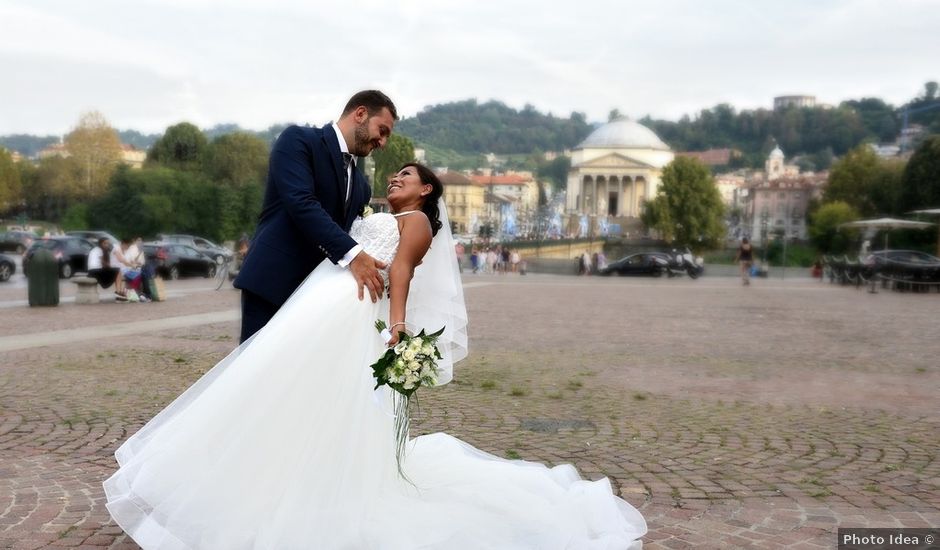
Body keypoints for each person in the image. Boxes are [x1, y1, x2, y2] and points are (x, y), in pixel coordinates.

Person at [103, 164, 646, 549]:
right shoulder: (380, 210)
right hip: (320, 302)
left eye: (406, 177)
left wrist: (401, 325)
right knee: (277, 385)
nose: (395, 179)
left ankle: (296, 486)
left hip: (349, 312)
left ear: (426, 190)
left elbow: (402, 271)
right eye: (395, 175)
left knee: (288, 386)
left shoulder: (417, 222)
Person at [234, 90, 398, 343]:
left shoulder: (361, 185)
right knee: (254, 375)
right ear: (361, 114)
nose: (383, 142)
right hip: (273, 282)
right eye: (382, 130)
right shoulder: (298, 140)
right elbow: (301, 202)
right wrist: (354, 255)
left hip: (316, 298)